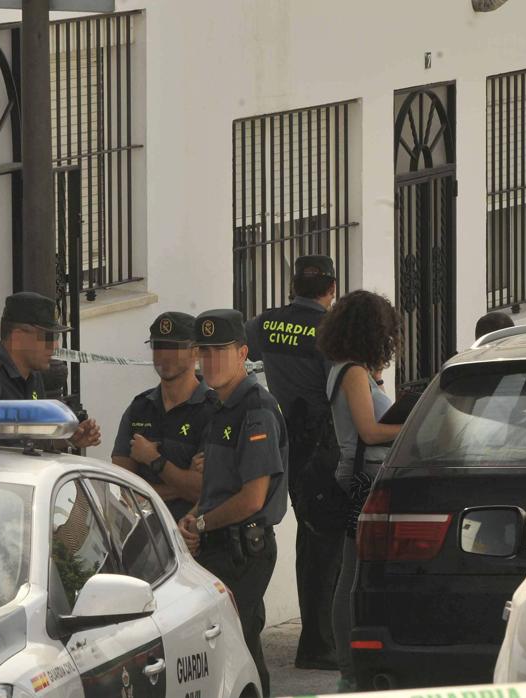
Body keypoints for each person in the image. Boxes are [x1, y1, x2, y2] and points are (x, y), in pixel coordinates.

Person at [179, 309, 288, 697]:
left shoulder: (254, 407)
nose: (210, 361)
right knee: (232, 648)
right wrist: (192, 520)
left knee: (238, 646)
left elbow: (252, 497)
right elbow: (217, 486)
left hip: (244, 549)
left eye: (220, 351)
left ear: (242, 353)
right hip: (218, 546)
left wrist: (203, 523)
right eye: (204, 352)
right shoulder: (219, 408)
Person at [246, 255, 342, 670]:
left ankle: (317, 640)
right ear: (331, 289)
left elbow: (238, 347)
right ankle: (321, 645)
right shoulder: (330, 330)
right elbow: (339, 389)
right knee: (327, 545)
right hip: (324, 445)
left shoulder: (264, 324)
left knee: (304, 539)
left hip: (283, 442)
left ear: (293, 286)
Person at [315, 290, 405, 690]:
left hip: (363, 478)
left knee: (352, 574)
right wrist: (412, 428)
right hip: (364, 481)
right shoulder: (351, 373)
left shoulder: (352, 370)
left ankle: (352, 669)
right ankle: (349, 673)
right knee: (351, 577)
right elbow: (368, 431)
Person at [0, 291, 100, 449]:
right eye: (47, 337)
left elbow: (35, 442)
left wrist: (70, 439)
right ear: (18, 337)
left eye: (55, 338)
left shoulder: (33, 378)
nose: (55, 346)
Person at [111, 312, 216, 521]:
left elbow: (202, 492)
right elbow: (121, 486)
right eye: (158, 346)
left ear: (195, 351)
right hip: (143, 535)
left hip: (193, 539)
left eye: (174, 347)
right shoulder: (139, 408)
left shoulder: (212, 411)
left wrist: (153, 460)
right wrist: (180, 485)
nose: (164, 355)